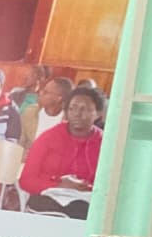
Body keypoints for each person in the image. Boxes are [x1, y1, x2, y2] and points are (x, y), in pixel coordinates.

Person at [20, 85, 105, 219]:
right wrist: (59, 185)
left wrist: (86, 187)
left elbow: (109, 186)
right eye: (72, 108)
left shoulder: (105, 144)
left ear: (98, 114)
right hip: (48, 200)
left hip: (86, 202)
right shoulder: (48, 138)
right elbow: (26, 180)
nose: (77, 113)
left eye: (84, 109)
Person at [20, 76, 72, 150]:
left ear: (58, 98)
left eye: (46, 92)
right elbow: (20, 143)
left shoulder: (68, 123)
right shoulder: (30, 112)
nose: (40, 93)